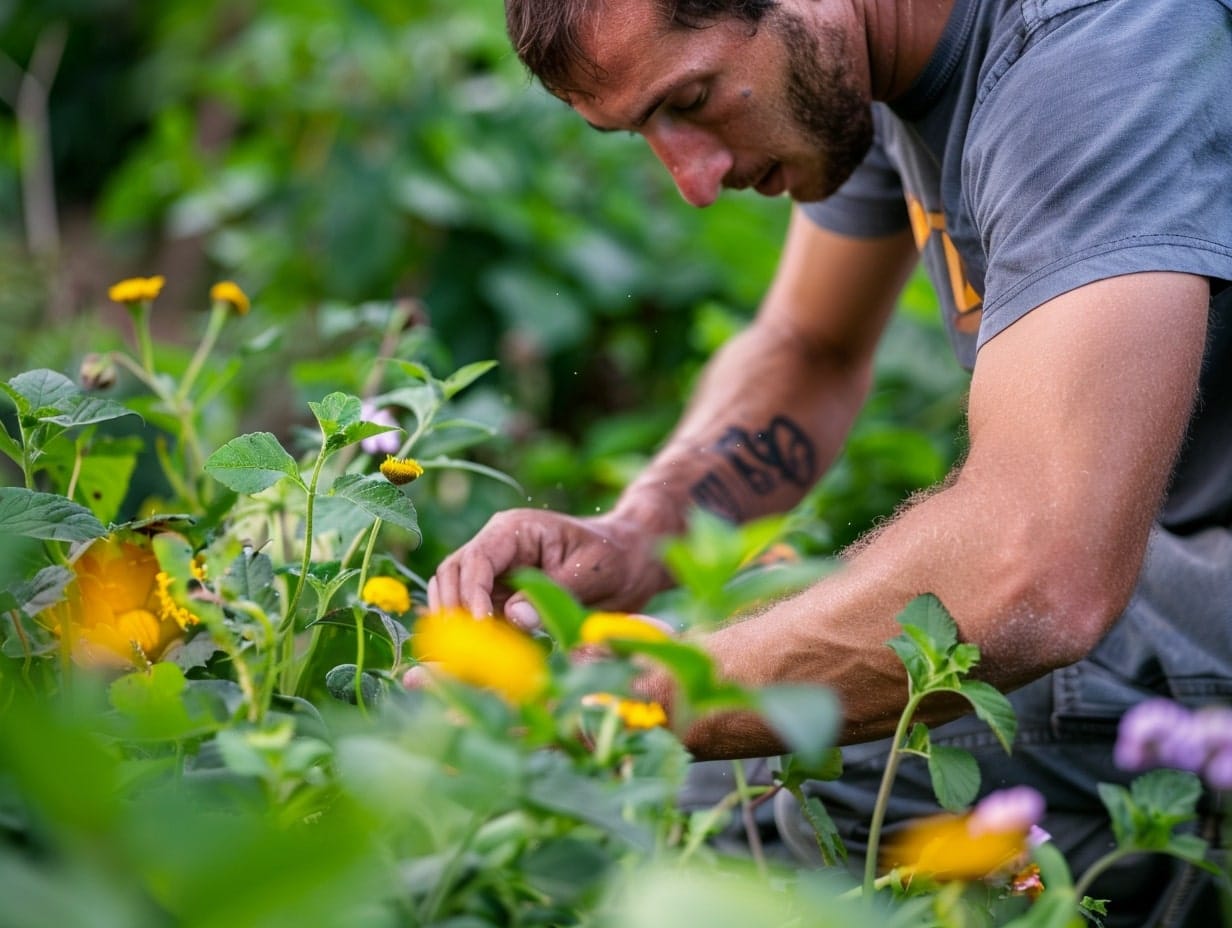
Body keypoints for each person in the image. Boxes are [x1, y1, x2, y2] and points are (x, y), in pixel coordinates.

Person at [425, 0, 1232, 922]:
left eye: (689, 99)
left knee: (806, 776)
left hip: (1176, 569)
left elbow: (1037, 571)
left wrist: (642, 697)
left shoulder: (1098, 52)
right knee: (688, 797)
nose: (693, 178)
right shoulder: (860, 57)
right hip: (1155, 562)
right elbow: (811, 346)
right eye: (646, 130)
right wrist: (639, 535)